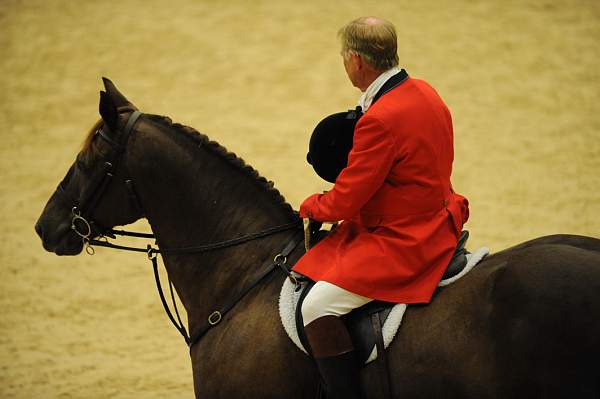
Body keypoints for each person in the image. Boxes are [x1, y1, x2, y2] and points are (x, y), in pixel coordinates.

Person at [292, 16, 470, 399]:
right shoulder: (426, 92)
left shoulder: (380, 120)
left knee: (316, 307)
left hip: (406, 238)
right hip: (440, 219)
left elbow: (347, 198)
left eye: (344, 57)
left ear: (356, 60)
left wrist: (312, 207)